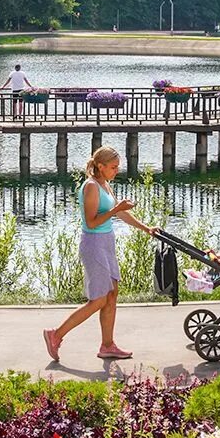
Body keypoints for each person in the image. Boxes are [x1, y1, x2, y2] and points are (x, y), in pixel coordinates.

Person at [44, 147, 157, 362]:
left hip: (106, 242)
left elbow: (121, 213)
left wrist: (146, 228)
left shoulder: (105, 184)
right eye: (113, 167)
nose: (116, 171)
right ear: (100, 166)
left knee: (112, 294)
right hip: (93, 244)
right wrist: (115, 210)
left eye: (117, 167)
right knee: (99, 299)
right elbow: (92, 222)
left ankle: (107, 346)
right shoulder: (91, 187)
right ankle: (55, 335)